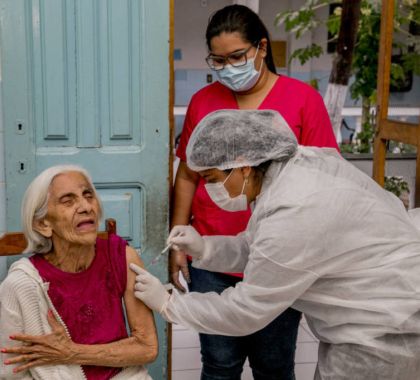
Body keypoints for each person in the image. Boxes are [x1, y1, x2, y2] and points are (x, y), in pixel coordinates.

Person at [132, 109, 420, 380]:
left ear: (243, 166)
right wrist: (205, 248)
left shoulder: (296, 207)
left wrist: (170, 305)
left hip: (386, 328)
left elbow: (246, 310)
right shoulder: (289, 173)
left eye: (212, 179)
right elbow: (262, 249)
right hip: (380, 306)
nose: (209, 190)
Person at [171, 4, 338, 379]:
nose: (227, 68)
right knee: (219, 363)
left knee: (273, 365)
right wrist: (180, 241)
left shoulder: (302, 101)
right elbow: (187, 175)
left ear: (261, 48)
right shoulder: (204, 101)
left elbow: (324, 183)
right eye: (218, 60)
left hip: (280, 256)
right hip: (211, 251)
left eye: (237, 57)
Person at [0, 165, 158, 380]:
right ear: (43, 224)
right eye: (68, 201)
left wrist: (71, 352)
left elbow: (147, 347)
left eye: (88, 195)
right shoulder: (21, 284)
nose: (86, 207)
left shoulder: (121, 256)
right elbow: (10, 372)